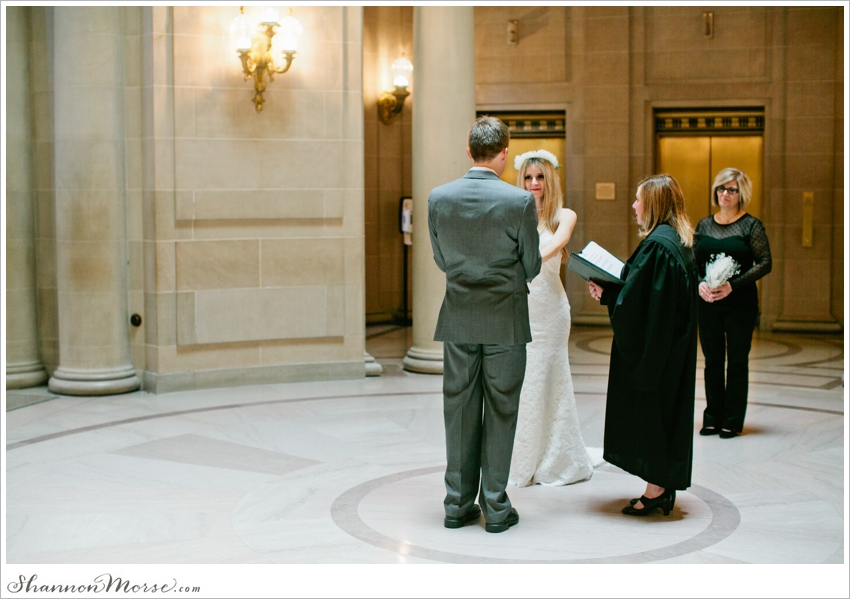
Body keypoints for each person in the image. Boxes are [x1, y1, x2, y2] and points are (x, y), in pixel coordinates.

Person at [428, 116, 541, 533]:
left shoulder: (439, 197)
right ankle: (495, 506)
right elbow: (531, 264)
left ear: (468, 149)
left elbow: (441, 259)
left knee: (458, 408)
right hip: (505, 321)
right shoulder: (519, 202)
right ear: (505, 153)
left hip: (458, 318)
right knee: (501, 409)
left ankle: (456, 504)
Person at [588, 174, 698, 516]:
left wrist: (608, 294)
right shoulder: (675, 240)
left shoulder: (658, 246)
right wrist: (617, 292)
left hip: (658, 354)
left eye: (638, 200)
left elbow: (641, 306)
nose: (634, 206)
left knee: (654, 414)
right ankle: (659, 487)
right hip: (673, 349)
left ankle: (656, 490)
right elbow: (650, 294)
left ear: (653, 204)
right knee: (665, 414)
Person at [509, 149, 602, 487]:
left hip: (551, 312)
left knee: (547, 378)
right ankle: (523, 456)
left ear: (550, 180)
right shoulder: (513, 214)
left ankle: (556, 456)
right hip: (522, 309)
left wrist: (522, 262)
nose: (534, 183)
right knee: (525, 384)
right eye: (529, 177)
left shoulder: (565, 214)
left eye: (540, 177)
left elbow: (558, 243)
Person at [696, 168, 772, 438]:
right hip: (708, 304)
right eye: (721, 189)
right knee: (712, 361)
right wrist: (700, 284)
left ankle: (732, 419)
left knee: (737, 361)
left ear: (742, 194)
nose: (724, 194)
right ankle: (712, 416)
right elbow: (694, 264)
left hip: (740, 303)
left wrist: (733, 285)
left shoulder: (751, 225)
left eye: (731, 190)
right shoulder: (704, 225)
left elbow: (766, 263)